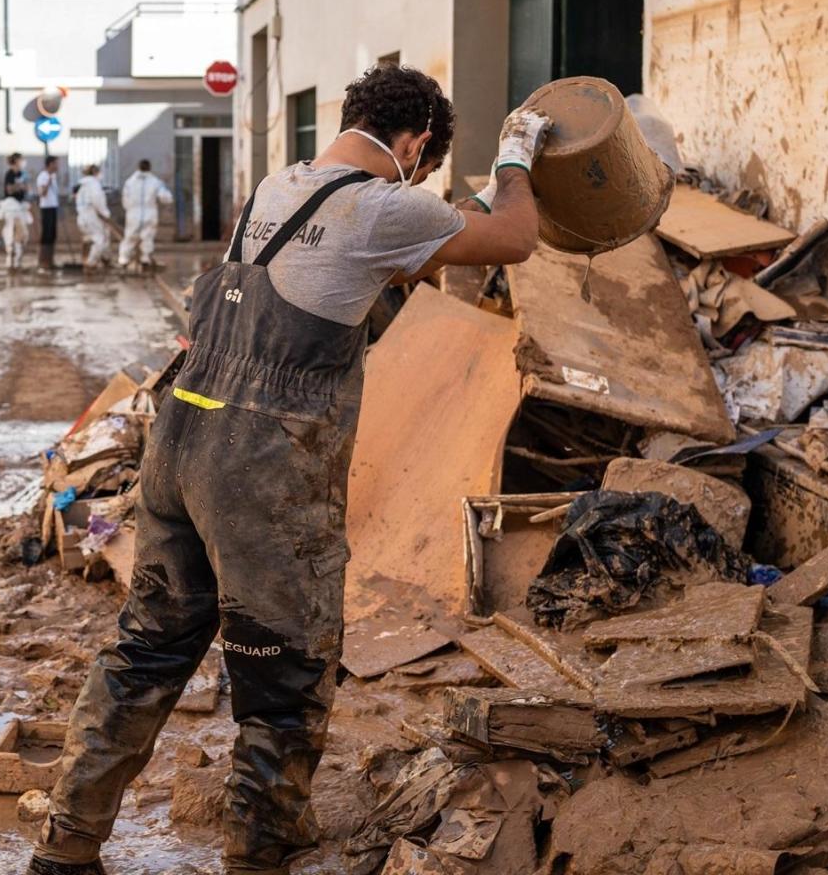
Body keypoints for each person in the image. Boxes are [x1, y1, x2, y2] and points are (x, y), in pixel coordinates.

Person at [28, 64, 550, 875]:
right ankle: (259, 850)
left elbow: (409, 245)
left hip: (182, 437)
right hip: (261, 470)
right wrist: (514, 158)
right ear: (414, 147)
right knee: (285, 673)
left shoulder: (280, 187)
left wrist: (453, 209)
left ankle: (67, 843)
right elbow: (514, 237)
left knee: (147, 652)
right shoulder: (384, 205)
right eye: (422, 162)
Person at [118, 158, 173, 272]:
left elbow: (125, 199)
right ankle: (145, 259)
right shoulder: (155, 182)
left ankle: (124, 259)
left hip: (133, 213)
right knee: (147, 237)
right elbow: (165, 197)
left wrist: (130, 209)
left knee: (130, 236)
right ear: (149, 168)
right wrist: (167, 199)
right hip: (149, 212)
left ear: (138, 167)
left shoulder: (130, 182)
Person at [73, 164, 112, 269]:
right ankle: (90, 263)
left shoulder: (82, 186)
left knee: (89, 239)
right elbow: (97, 201)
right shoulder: (94, 185)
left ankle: (103, 259)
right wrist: (105, 214)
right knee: (100, 240)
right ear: (95, 172)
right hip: (92, 217)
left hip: (82, 217)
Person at [36, 155, 62, 271]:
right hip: (46, 208)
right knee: (46, 235)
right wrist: (48, 182)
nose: (58, 166)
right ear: (50, 164)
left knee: (52, 234)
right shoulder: (43, 176)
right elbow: (42, 193)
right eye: (56, 163)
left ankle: (50, 260)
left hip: (53, 207)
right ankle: (43, 261)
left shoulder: (53, 176)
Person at [0, 191, 34, 270]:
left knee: (9, 244)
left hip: (9, 227)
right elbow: (30, 220)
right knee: (18, 244)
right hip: (19, 226)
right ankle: (17, 264)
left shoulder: (4, 204)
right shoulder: (21, 205)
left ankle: (9, 264)